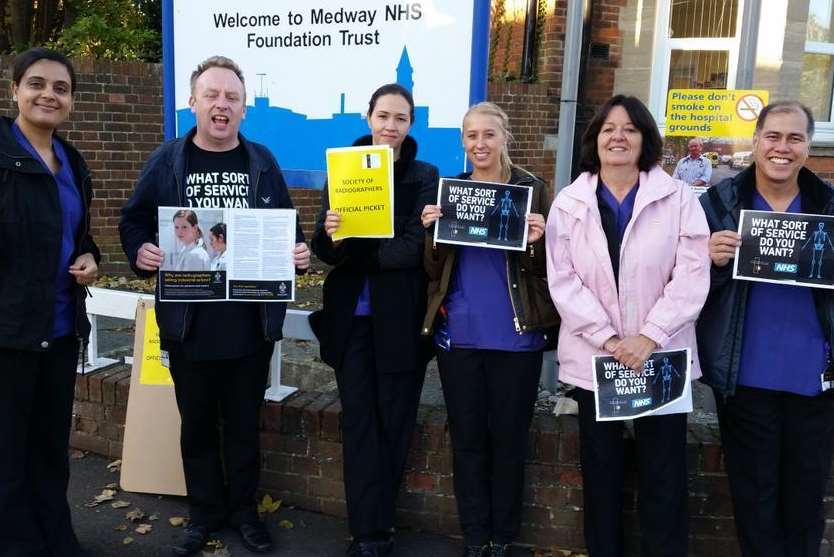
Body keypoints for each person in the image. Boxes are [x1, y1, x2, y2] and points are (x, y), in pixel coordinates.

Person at [119, 56, 310, 556]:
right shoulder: (167, 161)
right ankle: (203, 514)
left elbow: (287, 228)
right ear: (193, 103)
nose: (221, 105)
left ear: (244, 109)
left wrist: (300, 252)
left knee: (245, 428)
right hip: (189, 327)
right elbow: (134, 221)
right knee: (197, 427)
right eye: (212, 95)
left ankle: (245, 512)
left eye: (231, 98)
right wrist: (140, 251)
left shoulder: (262, 162)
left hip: (249, 324)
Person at [545, 95, 710, 557]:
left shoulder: (677, 196)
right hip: (596, 360)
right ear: (594, 140)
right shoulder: (569, 202)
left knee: (664, 475)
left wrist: (648, 337)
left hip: (660, 358)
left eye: (630, 129)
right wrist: (611, 339)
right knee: (601, 476)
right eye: (608, 129)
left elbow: (693, 272)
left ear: (645, 140)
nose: (618, 136)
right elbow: (563, 279)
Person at [420, 101, 558, 557]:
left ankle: (504, 535)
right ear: (463, 141)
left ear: (505, 138)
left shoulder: (533, 190)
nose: (480, 144)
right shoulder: (451, 192)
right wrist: (430, 234)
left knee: (509, 440)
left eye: (489, 135)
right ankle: (475, 534)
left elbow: (551, 270)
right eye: (471, 136)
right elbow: (432, 269)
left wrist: (539, 243)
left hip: (517, 336)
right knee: (468, 441)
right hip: (459, 336)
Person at [697, 101, 834, 557]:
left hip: (814, 379)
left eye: (794, 138)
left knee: (804, 500)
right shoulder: (716, 203)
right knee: (753, 498)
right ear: (755, 140)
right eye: (773, 136)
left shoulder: (829, 205)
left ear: (808, 147)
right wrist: (708, 261)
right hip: (744, 375)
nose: (782, 147)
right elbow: (682, 286)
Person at [309, 83, 438, 557]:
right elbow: (327, 246)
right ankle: (367, 533)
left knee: (394, 424)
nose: (390, 126)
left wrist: (360, 252)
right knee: (359, 424)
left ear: (410, 124)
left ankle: (381, 526)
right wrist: (336, 239)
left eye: (400, 118)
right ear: (368, 118)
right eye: (383, 116)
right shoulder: (342, 168)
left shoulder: (425, 174)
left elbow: (413, 248)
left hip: (400, 319)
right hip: (350, 320)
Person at [0, 47, 99, 557]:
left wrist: (89, 255)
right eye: (36, 84)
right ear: (15, 89)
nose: (48, 95)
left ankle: (55, 535)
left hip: (60, 329)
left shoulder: (73, 162)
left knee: (48, 448)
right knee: (8, 450)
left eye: (61, 88)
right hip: (10, 331)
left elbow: (77, 235)